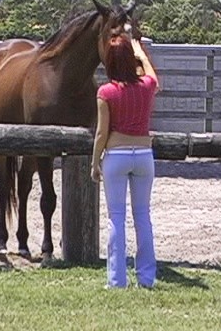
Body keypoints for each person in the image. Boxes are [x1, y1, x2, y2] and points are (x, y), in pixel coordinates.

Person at [91, 35, 159, 289]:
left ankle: (116, 280)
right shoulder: (147, 86)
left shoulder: (106, 92)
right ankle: (146, 277)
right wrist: (139, 50)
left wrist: (95, 162)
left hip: (116, 156)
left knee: (116, 218)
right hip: (143, 155)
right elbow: (152, 76)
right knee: (143, 216)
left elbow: (101, 133)